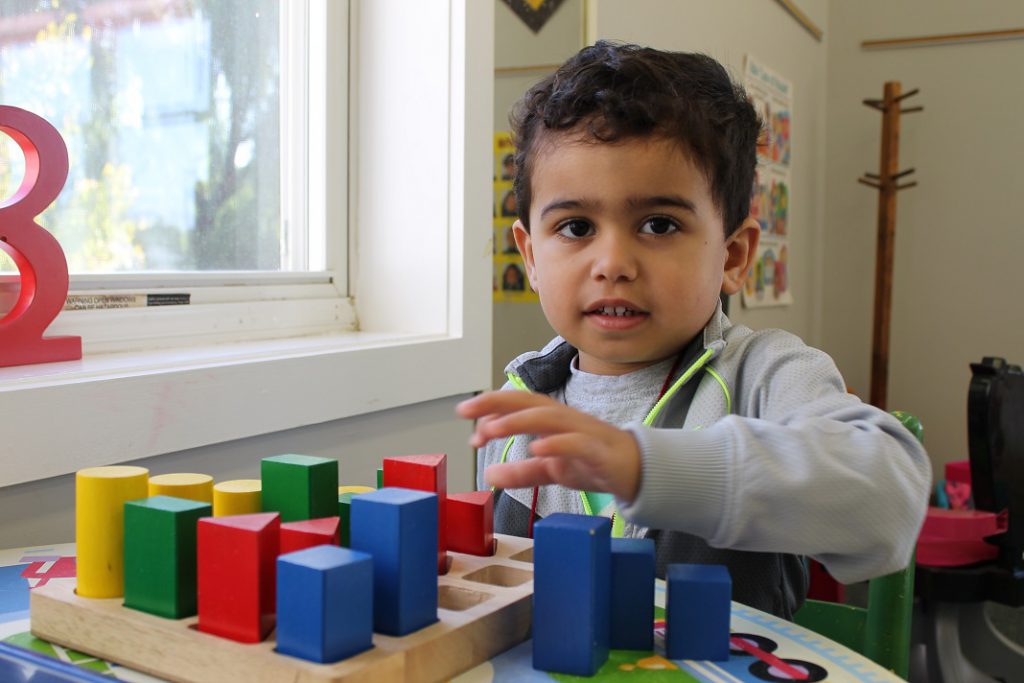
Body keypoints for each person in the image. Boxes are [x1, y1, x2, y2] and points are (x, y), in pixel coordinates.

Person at [457, 41, 931, 619]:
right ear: (530, 256)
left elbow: (888, 500)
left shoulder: (768, 374)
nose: (613, 262)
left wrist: (646, 467)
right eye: (576, 226)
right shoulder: (516, 405)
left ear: (733, 254)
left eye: (658, 224)